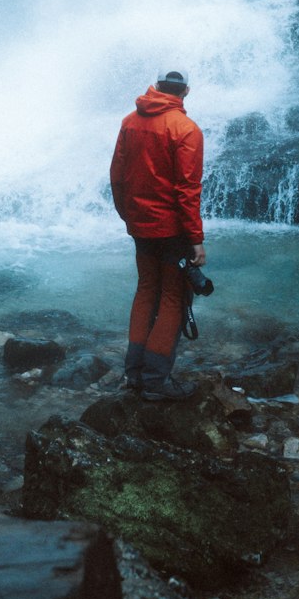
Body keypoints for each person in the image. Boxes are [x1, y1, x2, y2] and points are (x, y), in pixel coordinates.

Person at [110, 68, 205, 401]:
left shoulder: (129, 122)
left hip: (140, 224)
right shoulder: (185, 129)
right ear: (186, 91)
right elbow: (187, 190)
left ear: (158, 86)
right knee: (173, 298)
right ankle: (155, 381)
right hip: (173, 230)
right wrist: (195, 238)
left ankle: (134, 373)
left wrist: (128, 216)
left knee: (146, 290)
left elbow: (117, 176)